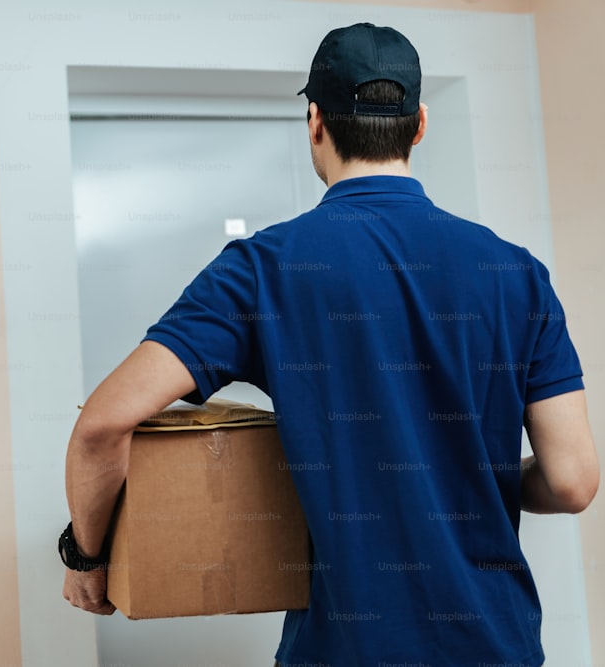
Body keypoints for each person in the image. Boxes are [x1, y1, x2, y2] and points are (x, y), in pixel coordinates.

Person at [58, 22, 599, 666]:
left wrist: (87, 557)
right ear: (419, 124)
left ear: (315, 122)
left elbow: (102, 425)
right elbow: (571, 483)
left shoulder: (263, 268)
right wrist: (467, 478)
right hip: (495, 644)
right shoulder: (516, 273)